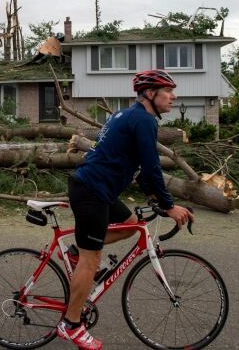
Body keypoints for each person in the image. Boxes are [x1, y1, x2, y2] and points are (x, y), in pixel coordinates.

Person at [56, 69, 195, 350]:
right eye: (167, 91)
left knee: (131, 225)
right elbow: (153, 167)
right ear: (149, 94)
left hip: (99, 188)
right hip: (91, 190)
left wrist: (153, 195)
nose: (173, 96)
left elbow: (141, 169)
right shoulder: (143, 120)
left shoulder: (129, 115)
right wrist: (169, 206)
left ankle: (74, 252)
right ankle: (70, 324)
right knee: (91, 259)